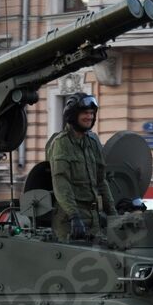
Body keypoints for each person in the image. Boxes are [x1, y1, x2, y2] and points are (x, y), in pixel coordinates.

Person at [45, 92, 115, 242]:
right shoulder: (61, 143)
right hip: (70, 221)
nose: (89, 117)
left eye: (91, 113)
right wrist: (74, 216)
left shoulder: (93, 142)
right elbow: (61, 183)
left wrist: (114, 216)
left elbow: (102, 182)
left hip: (93, 217)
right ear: (72, 115)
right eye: (85, 113)